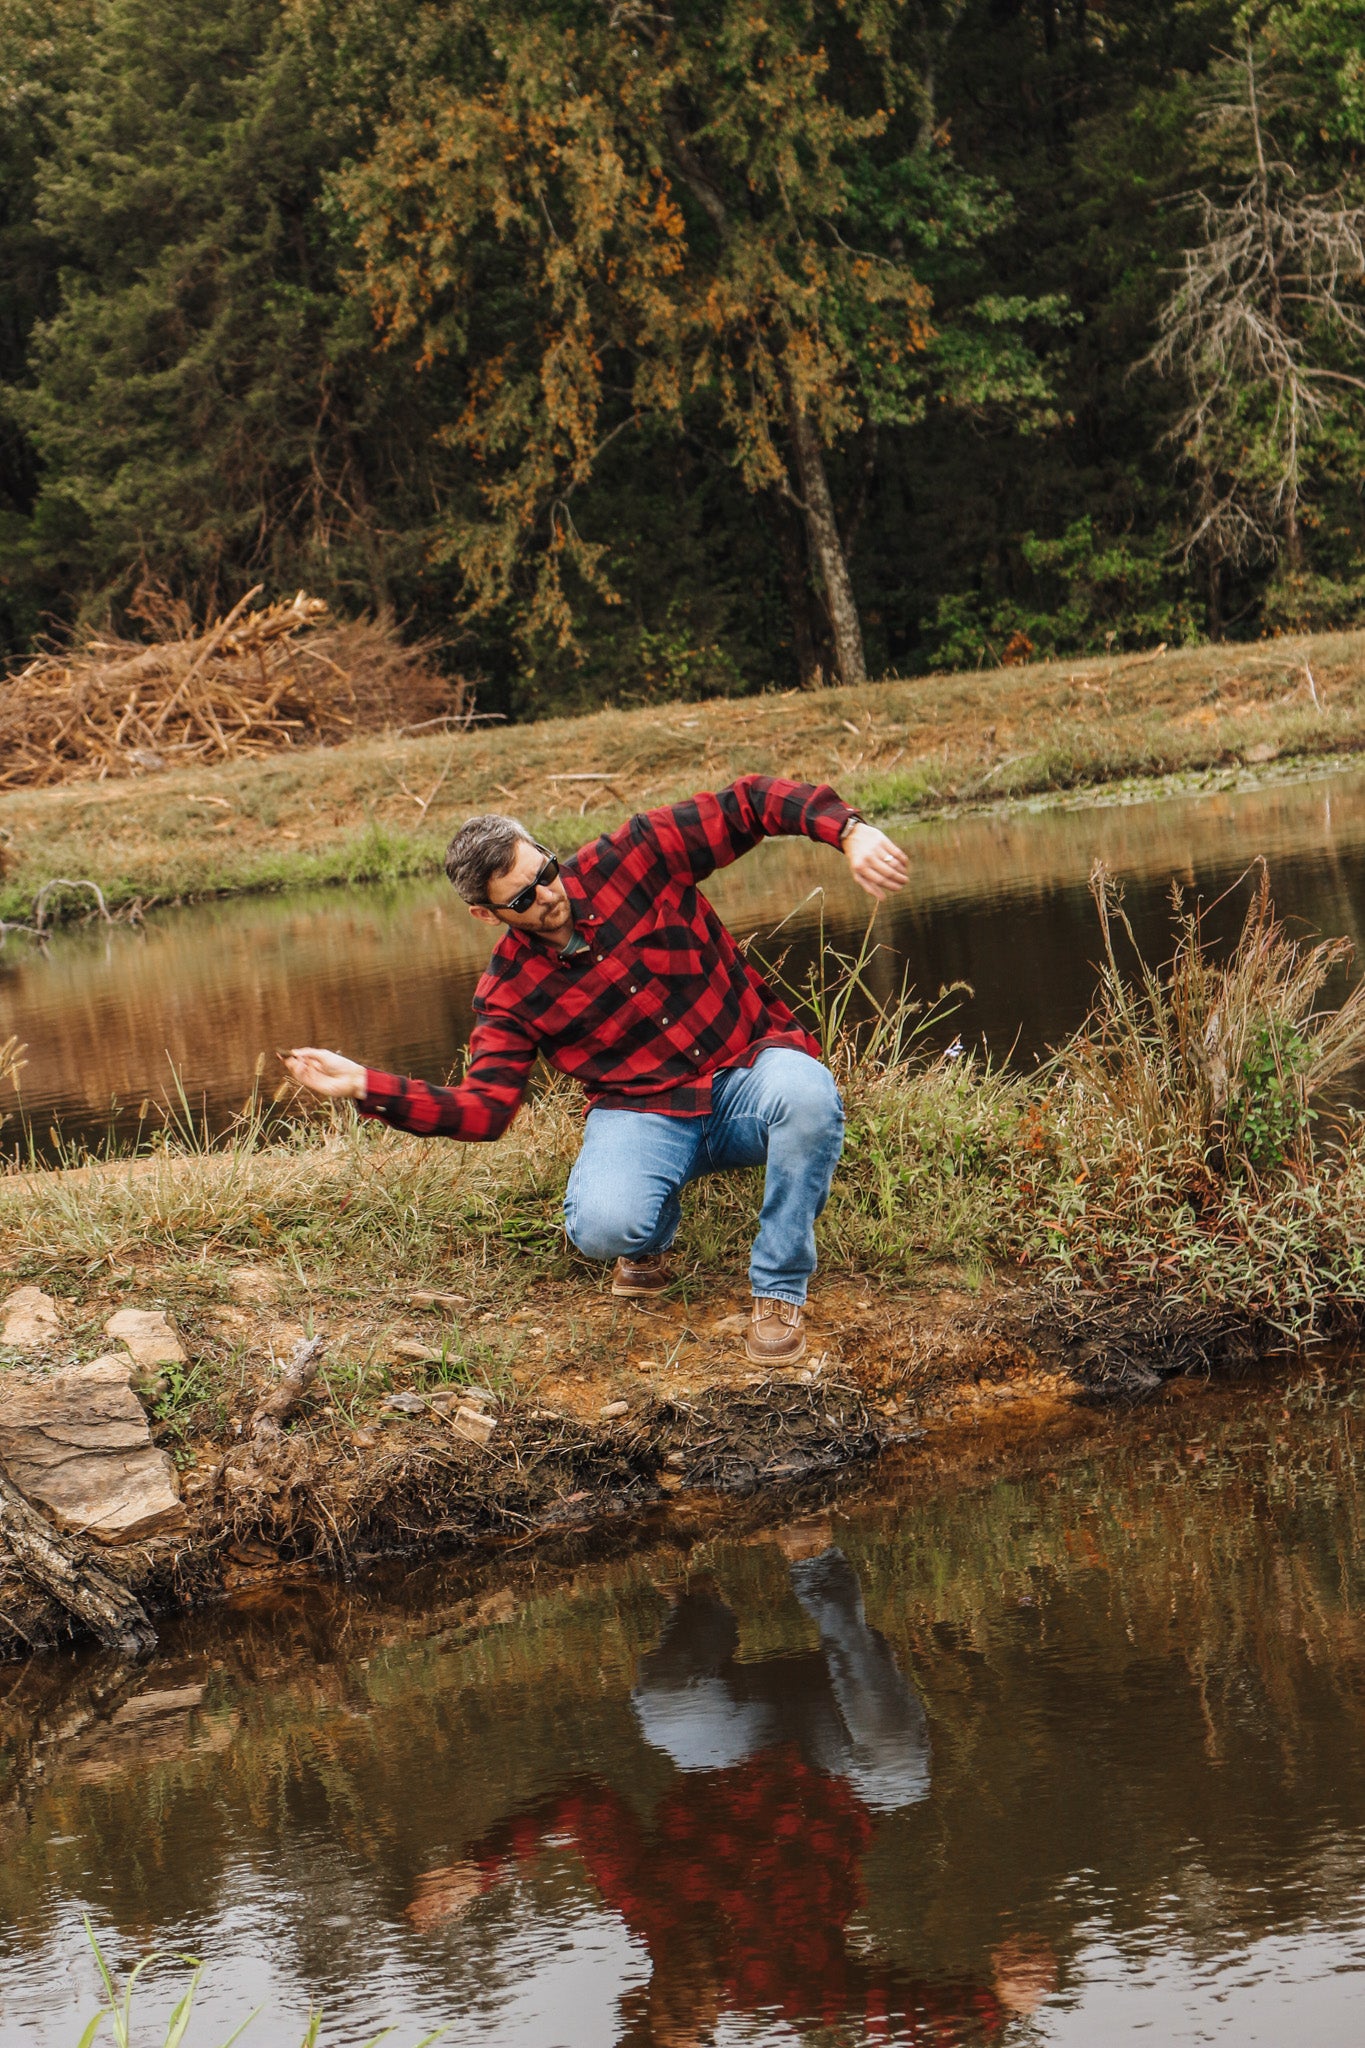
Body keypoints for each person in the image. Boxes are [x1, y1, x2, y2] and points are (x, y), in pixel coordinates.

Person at [283, 774, 908, 1364]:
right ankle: (648, 1241)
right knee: (603, 1225)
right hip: (644, 1112)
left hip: (746, 1069)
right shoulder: (508, 992)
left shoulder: (636, 855)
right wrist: (366, 1085)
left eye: (545, 872)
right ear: (487, 915)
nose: (549, 895)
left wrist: (849, 832)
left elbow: (750, 802)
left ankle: (779, 1288)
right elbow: (484, 1111)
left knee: (808, 1096)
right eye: (523, 899)